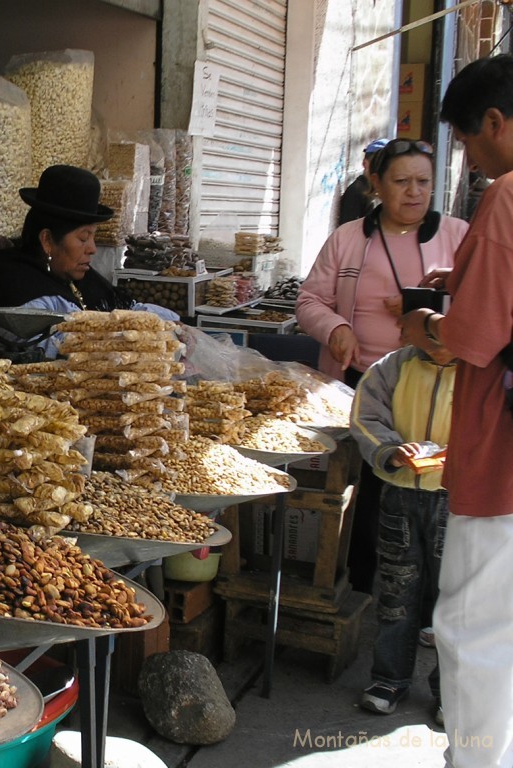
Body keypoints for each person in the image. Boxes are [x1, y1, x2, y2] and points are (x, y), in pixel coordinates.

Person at [397, 53, 513, 768]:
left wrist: (422, 328)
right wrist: (463, 280)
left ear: (497, 122)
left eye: (468, 142)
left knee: (472, 629)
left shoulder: (506, 198)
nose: (469, 160)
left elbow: (468, 341)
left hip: (501, 459)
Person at [296, 138, 468, 595]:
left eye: (423, 182)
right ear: (376, 183)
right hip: (357, 382)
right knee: (366, 491)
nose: (414, 192)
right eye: (401, 181)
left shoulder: (457, 236)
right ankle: (364, 585)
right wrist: (334, 327)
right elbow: (310, 299)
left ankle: (431, 595)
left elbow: (482, 305)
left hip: (436, 387)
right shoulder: (349, 238)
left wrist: (428, 312)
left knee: (429, 486)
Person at [0, 164, 177, 356]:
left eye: (93, 237)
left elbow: (130, 310)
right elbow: (53, 347)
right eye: (83, 238)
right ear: (48, 240)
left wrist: (171, 326)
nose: (92, 249)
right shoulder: (10, 280)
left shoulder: (77, 278)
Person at [350, 343, 454, 723]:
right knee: (396, 589)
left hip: (455, 497)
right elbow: (364, 415)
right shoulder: (394, 365)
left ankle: (452, 691)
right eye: (431, 337)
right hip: (399, 494)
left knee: (454, 597)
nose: (439, 348)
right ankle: (389, 679)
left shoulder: (482, 369)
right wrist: (390, 450)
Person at [338, 137, 389, 226]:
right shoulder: (357, 191)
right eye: (376, 162)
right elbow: (348, 232)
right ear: (365, 163)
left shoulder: (383, 190)